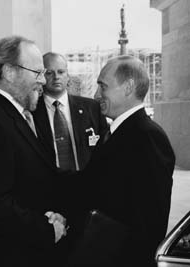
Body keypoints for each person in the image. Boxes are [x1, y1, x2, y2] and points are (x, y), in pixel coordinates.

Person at [0, 36, 68, 267]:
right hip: (9, 256)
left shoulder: (23, 116)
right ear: (10, 72)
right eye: (38, 72)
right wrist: (46, 229)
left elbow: (41, 178)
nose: (44, 81)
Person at [69, 55, 176, 267]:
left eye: (103, 86)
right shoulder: (117, 132)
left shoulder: (147, 137)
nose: (96, 94)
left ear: (128, 87)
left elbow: (149, 222)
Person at [33, 52, 108, 172]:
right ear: (41, 77)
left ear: (68, 76)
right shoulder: (31, 112)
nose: (56, 77)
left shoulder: (92, 108)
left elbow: (106, 149)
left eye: (61, 72)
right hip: (48, 185)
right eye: (49, 73)